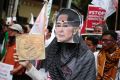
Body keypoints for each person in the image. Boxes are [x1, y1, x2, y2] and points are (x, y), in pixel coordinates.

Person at [14, 8, 96, 80]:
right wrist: (28, 65)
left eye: (65, 25)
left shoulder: (86, 57)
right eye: (58, 25)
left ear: (75, 29)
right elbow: (45, 77)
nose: (60, 30)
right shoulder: (53, 49)